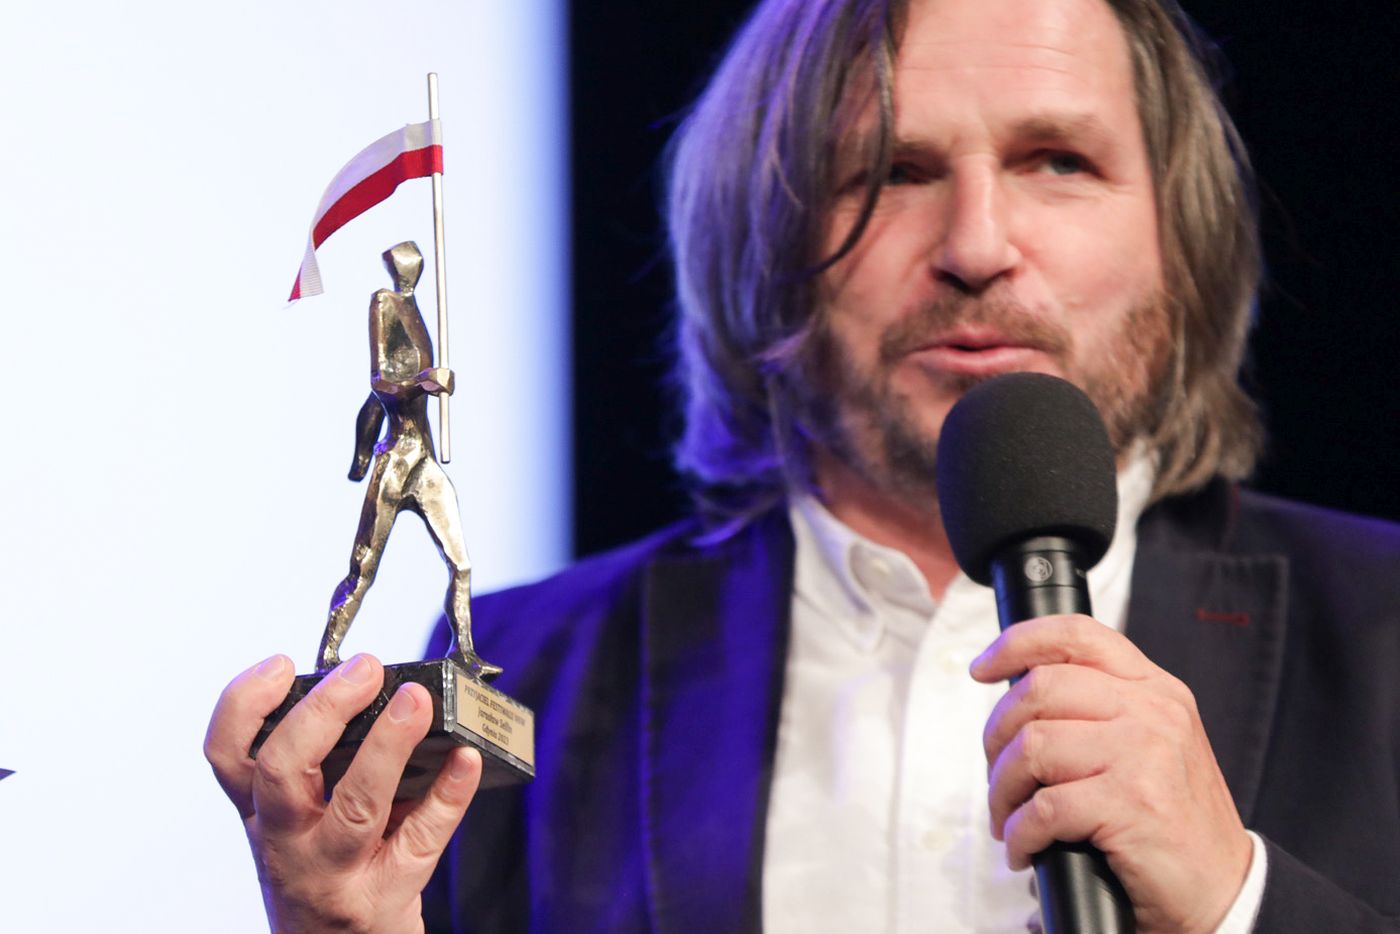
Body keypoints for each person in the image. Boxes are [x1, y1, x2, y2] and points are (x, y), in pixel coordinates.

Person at [205, 0, 1400, 931]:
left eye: (1055, 161)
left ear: (1177, 233)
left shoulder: (1381, 627)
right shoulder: (546, 667)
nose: (977, 245)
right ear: (762, 237)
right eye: (892, 171)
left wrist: (1236, 903)